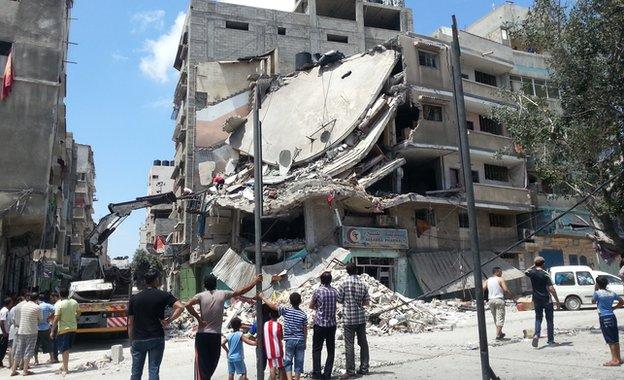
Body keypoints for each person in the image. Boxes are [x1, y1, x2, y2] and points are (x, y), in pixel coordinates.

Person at [185, 273, 262, 380]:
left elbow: (187, 304)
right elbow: (241, 291)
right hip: (215, 336)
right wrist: (254, 281)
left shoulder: (200, 296)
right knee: (212, 363)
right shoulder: (222, 294)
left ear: (205, 285)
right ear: (216, 284)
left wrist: (199, 320)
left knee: (201, 366)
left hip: (202, 335)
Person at [128, 269, 185, 380]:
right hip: (156, 337)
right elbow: (181, 307)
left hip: (138, 339)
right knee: (153, 371)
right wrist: (169, 320)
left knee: (136, 372)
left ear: (145, 281)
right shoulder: (163, 295)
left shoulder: (134, 299)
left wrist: (131, 342)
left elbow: (130, 323)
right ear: (156, 280)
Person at [261, 292, 307, 380]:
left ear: (290, 301)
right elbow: (305, 330)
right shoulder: (303, 314)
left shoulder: (286, 310)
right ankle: (297, 378)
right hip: (300, 340)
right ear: (300, 301)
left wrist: (263, 297)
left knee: (288, 361)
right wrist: (304, 341)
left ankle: (289, 379)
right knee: (299, 361)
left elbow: (273, 306)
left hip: (289, 340)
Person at [337, 263, 370, 379]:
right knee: (363, 343)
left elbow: (339, 299)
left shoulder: (343, 283)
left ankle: (350, 371)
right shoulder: (363, 284)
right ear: (356, 270)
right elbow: (366, 302)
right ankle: (364, 368)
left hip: (349, 318)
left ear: (347, 271)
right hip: (360, 318)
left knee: (349, 345)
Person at [525, 256, 560, 348]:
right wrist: (557, 301)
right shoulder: (545, 274)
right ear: (543, 264)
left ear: (535, 264)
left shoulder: (531, 273)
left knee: (538, 318)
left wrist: (534, 265)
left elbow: (526, 271)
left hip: (536, 299)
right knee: (549, 320)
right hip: (546, 299)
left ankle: (536, 335)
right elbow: (551, 289)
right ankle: (550, 340)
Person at [309, 271, 338, 379]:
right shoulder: (335, 291)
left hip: (320, 324)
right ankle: (327, 374)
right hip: (331, 324)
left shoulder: (318, 291)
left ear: (321, 280)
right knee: (331, 350)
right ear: (331, 280)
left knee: (317, 349)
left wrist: (318, 307)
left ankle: (317, 374)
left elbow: (311, 306)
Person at [592, 275, 624, 366]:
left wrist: (595, 289)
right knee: (615, 338)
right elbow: (622, 301)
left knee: (610, 340)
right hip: (612, 316)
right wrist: (614, 308)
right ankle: (618, 358)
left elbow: (593, 301)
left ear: (597, 284)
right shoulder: (611, 293)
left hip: (604, 317)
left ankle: (614, 360)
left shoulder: (597, 293)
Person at [50, 287, 80, 375]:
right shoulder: (74, 302)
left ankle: (65, 369)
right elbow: (78, 313)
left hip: (63, 329)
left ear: (59, 295)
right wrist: (73, 316)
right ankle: (64, 366)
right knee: (66, 349)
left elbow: (56, 318)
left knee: (64, 349)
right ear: (68, 294)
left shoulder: (59, 304)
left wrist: (52, 331)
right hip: (73, 328)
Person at [10, 292, 41, 376]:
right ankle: (25, 370)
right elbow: (40, 319)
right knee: (29, 350)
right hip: (31, 331)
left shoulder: (23, 306)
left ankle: (13, 370)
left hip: (21, 330)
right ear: (37, 299)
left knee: (19, 350)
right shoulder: (37, 307)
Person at [483, 267, 516, 340]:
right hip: (499, 300)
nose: (501, 274)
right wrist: (513, 298)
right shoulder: (500, 279)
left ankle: (500, 333)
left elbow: (482, 288)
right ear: (497, 272)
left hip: (491, 301)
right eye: (501, 272)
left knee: (495, 318)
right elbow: (505, 289)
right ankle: (498, 335)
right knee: (500, 317)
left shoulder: (488, 280)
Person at [263, 308, 287, 380]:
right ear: (278, 316)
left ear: (270, 315)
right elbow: (281, 337)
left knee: (272, 367)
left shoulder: (265, 324)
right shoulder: (278, 325)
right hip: (277, 349)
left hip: (269, 350)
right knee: (280, 367)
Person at [34, 295, 55, 365]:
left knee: (36, 345)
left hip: (36, 328)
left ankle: (36, 361)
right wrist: (50, 317)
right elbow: (56, 310)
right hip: (46, 327)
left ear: (38, 299)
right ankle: (52, 358)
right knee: (48, 342)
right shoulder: (47, 305)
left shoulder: (36, 306)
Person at [7, 297, 24, 369]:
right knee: (16, 347)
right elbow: (14, 320)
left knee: (12, 347)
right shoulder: (18, 308)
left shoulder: (12, 309)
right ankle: (16, 364)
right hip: (16, 328)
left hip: (12, 329)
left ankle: (12, 364)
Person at [0, 297, 13, 368]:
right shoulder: (5, 311)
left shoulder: (6, 310)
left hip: (5, 332)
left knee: (3, 348)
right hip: (3, 333)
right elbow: (1, 322)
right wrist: (4, 332)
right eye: (11, 302)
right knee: (2, 348)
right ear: (9, 303)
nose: (12, 303)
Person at [48, 293, 60, 364]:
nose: (51, 300)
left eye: (51, 298)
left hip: (55, 325)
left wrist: (48, 317)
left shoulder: (56, 305)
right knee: (56, 341)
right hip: (59, 324)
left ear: (55, 297)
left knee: (54, 341)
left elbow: (55, 315)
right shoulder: (60, 303)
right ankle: (54, 357)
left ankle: (54, 358)